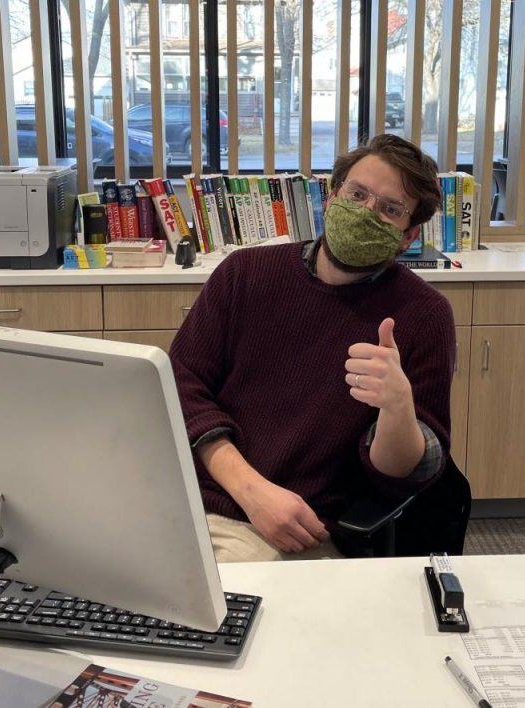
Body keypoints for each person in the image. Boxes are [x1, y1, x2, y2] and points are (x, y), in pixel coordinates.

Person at [170, 134, 456, 562]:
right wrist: (249, 489)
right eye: (357, 194)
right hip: (189, 491)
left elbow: (407, 473)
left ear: (407, 235)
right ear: (331, 196)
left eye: (390, 209)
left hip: (291, 527)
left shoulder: (423, 316)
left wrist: (398, 409)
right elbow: (179, 382)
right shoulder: (244, 275)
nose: (366, 213)